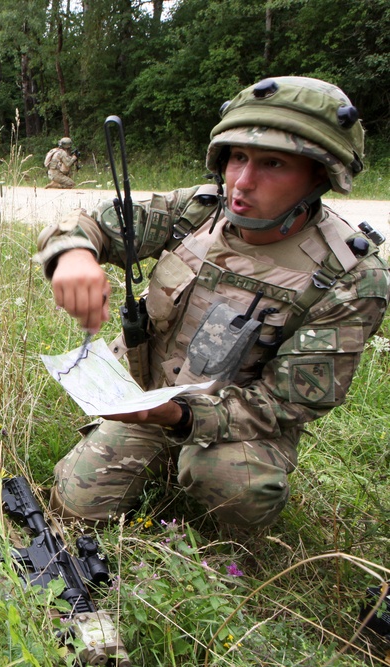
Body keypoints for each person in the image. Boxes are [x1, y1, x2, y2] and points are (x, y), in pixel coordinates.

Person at [34, 76, 389, 529]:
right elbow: (93, 223)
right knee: (75, 506)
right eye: (238, 157)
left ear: (321, 174)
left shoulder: (350, 277)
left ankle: (218, 526)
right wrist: (73, 255)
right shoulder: (200, 212)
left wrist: (182, 417)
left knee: (232, 484)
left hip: (240, 427)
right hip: (147, 398)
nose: (243, 181)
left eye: (274, 164)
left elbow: (284, 404)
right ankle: (155, 456)